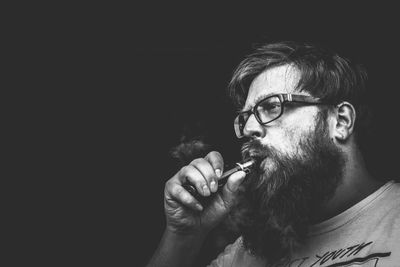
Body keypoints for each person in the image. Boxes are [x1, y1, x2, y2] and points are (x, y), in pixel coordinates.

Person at [146, 41, 400, 266]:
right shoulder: (247, 253)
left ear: (341, 121)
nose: (248, 129)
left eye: (271, 107)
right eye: (244, 118)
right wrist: (184, 237)